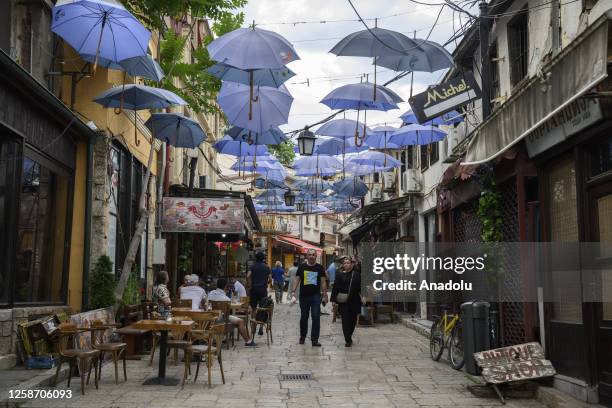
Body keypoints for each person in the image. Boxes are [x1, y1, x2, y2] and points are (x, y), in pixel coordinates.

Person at [290, 249, 327, 347]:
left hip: (315, 296)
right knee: (304, 317)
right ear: (307, 256)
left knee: (316, 317)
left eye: (313, 255)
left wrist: (325, 294)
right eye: (309, 255)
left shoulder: (320, 268)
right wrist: (293, 291)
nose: (311, 256)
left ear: (316, 256)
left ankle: (314, 339)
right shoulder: (302, 267)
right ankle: (302, 336)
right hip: (304, 296)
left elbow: (323, 281)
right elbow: (297, 279)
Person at [208, 278, 256, 347]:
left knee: (228, 316)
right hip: (222, 320)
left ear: (217, 285)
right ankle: (248, 341)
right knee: (240, 321)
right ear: (225, 286)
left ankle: (223, 337)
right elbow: (228, 312)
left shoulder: (210, 293)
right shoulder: (226, 299)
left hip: (211, 318)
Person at [331, 256, 362, 347]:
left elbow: (361, 287)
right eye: (344, 263)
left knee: (353, 320)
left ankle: (349, 335)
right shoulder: (339, 274)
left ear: (352, 264)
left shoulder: (356, 274)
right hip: (343, 301)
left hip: (355, 300)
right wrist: (333, 300)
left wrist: (364, 296)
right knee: (345, 320)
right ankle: (347, 340)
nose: (346, 264)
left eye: (348, 263)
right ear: (342, 265)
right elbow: (335, 287)